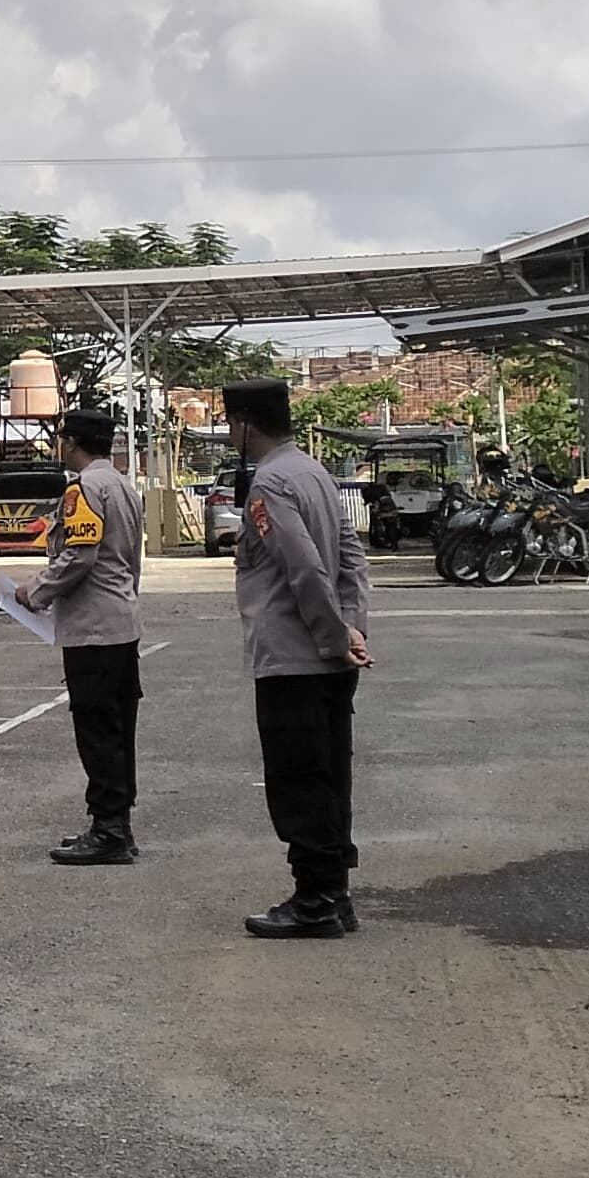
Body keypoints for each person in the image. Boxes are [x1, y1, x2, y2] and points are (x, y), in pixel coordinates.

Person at [226, 379, 371, 938]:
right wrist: (352, 628)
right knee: (331, 773)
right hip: (331, 656)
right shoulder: (313, 471)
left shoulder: (269, 483)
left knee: (298, 778)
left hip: (294, 655)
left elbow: (304, 567)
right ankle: (335, 893)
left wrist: (333, 635)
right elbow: (352, 559)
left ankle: (314, 901)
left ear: (244, 424)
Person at [23, 407, 150, 867]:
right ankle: (119, 824)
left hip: (92, 630)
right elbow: (130, 560)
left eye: (61, 438)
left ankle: (108, 829)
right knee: (119, 728)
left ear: (71, 442)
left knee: (97, 730)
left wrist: (33, 591)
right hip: (121, 622)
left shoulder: (83, 489)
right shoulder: (121, 485)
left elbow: (79, 556)